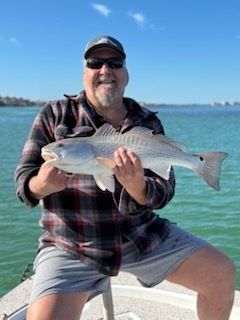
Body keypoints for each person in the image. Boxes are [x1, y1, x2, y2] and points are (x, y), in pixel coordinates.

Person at [15, 35, 235, 320]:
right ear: (85, 72)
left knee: (222, 273)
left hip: (141, 235)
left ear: (125, 72)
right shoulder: (54, 114)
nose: (105, 70)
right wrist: (40, 186)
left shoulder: (147, 120)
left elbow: (164, 190)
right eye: (96, 63)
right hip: (72, 243)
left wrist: (138, 187)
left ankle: (200, 164)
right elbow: (23, 181)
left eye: (114, 63)